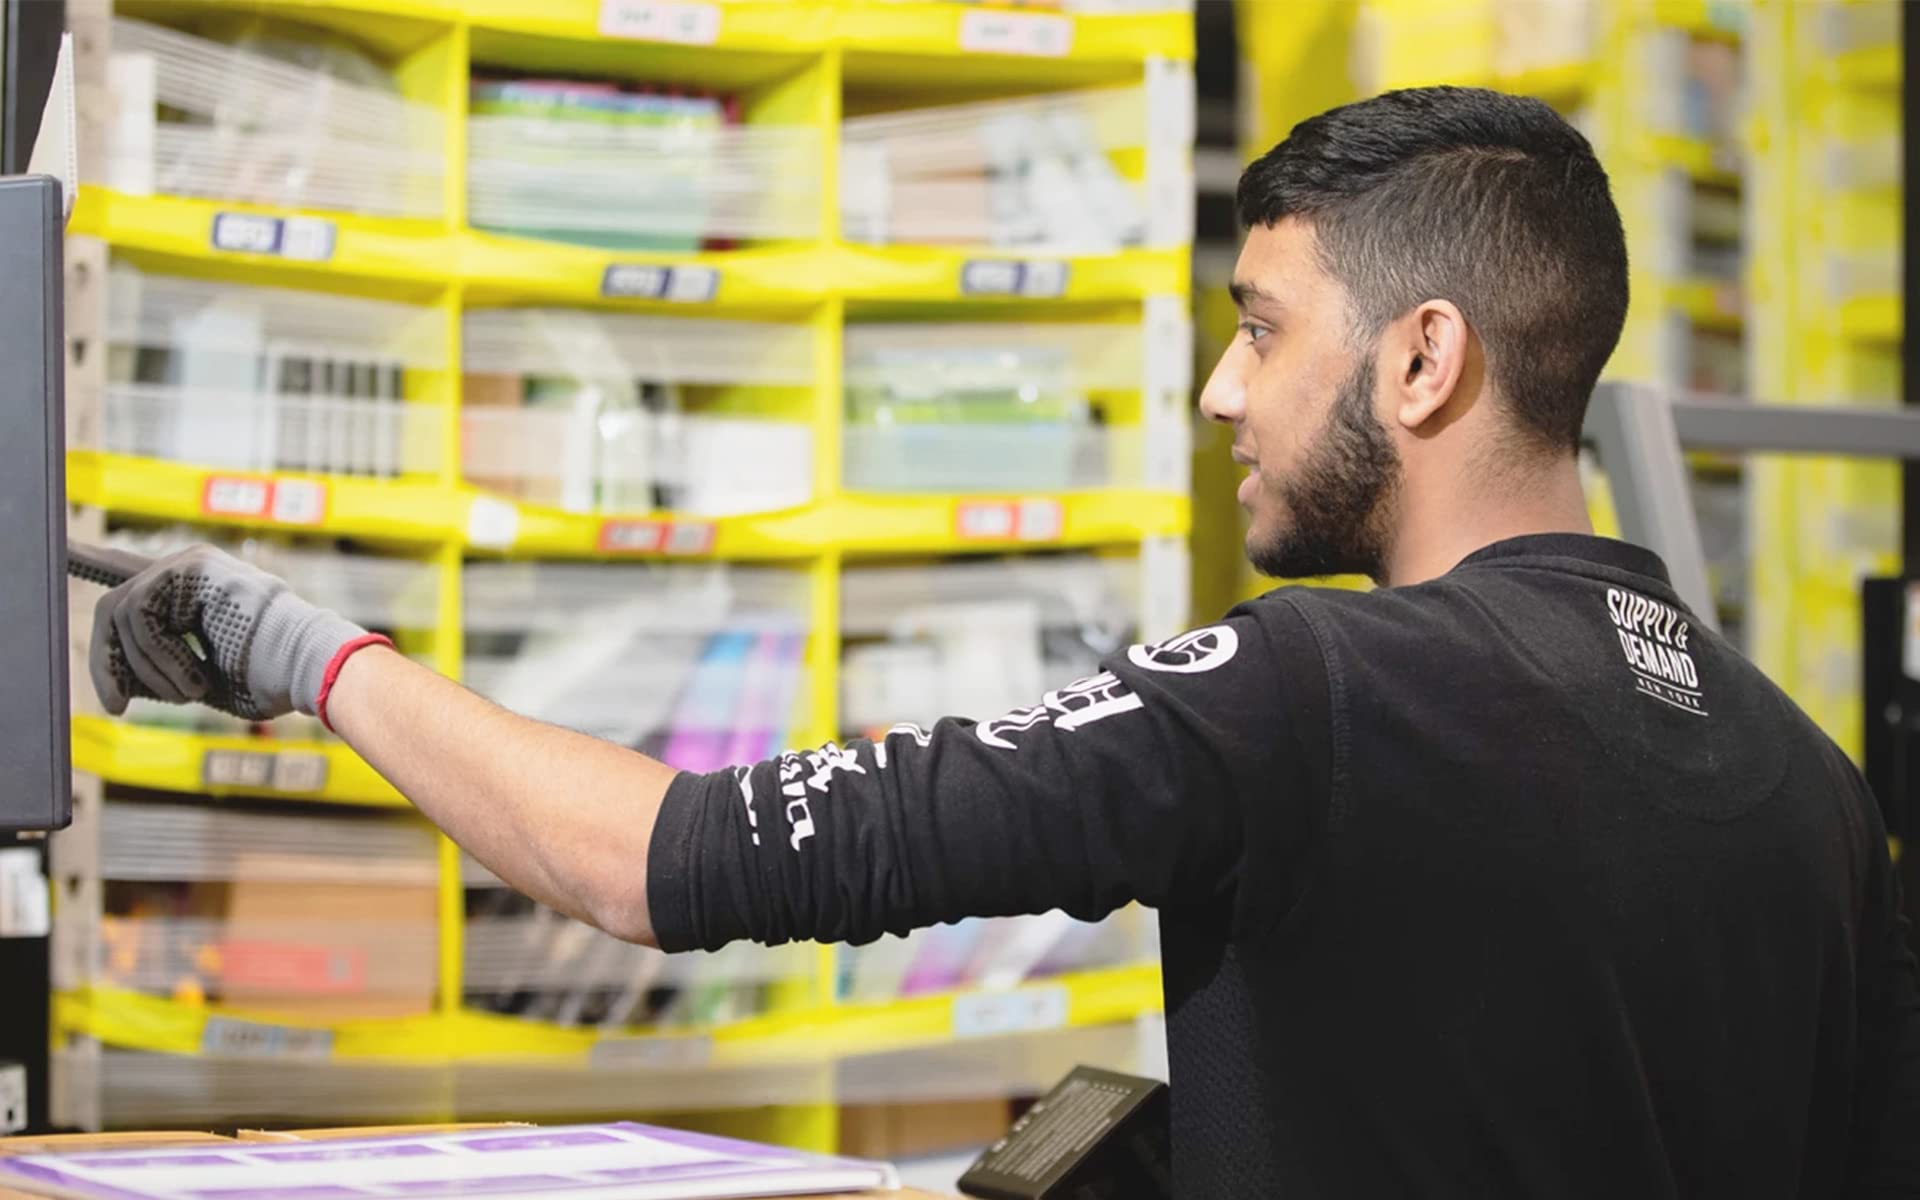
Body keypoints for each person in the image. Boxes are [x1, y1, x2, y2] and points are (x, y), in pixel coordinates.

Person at [89, 86, 1919, 1196]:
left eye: (1263, 329)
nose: (1221, 390)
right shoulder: (1817, 792)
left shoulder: (1310, 691)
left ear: (1423, 359)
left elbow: (654, 860)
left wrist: (293, 647)